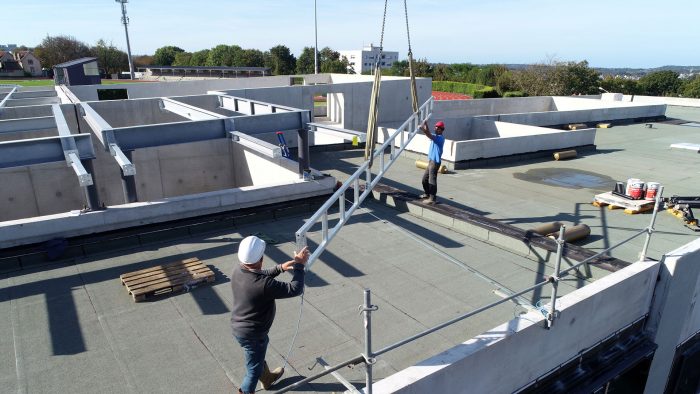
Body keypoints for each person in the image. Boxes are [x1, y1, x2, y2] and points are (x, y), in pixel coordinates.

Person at [231, 235, 310, 393]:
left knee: (257, 356)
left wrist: (279, 268)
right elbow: (294, 288)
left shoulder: (238, 270)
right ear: (260, 259)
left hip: (242, 328)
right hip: (252, 333)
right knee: (253, 370)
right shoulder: (263, 285)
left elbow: (259, 273)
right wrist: (299, 265)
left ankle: (266, 379)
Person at [420, 120, 446, 204]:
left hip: (435, 162)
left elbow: (428, 134)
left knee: (432, 180)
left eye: (439, 128)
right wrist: (425, 124)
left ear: (442, 130)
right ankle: (427, 194)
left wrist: (423, 129)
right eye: (436, 127)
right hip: (431, 161)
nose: (436, 129)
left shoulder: (440, 138)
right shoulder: (435, 136)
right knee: (424, 179)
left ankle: (432, 198)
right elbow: (428, 133)